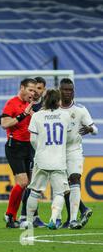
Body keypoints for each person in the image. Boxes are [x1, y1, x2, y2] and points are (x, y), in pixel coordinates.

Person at [24, 89, 72, 230]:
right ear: (58, 101)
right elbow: (68, 138)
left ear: (45, 100)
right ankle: (53, 219)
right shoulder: (65, 115)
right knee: (59, 192)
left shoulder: (37, 116)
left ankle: (28, 221)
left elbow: (32, 139)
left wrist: (41, 149)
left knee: (34, 191)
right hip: (59, 160)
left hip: (41, 159)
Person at [59, 78, 98, 229]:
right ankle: (77, 213)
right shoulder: (53, 108)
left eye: (70, 90)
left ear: (74, 91)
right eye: (65, 90)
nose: (68, 93)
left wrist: (90, 129)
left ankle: (73, 219)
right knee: (62, 186)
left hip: (74, 149)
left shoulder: (80, 109)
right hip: (57, 151)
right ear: (60, 90)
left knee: (74, 178)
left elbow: (95, 129)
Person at [0, 78, 36, 228]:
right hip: (14, 146)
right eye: (30, 90)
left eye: (34, 91)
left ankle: (13, 217)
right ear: (22, 88)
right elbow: (4, 124)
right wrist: (23, 115)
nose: (33, 93)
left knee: (27, 184)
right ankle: (10, 215)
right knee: (23, 182)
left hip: (28, 147)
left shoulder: (30, 105)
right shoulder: (11, 103)